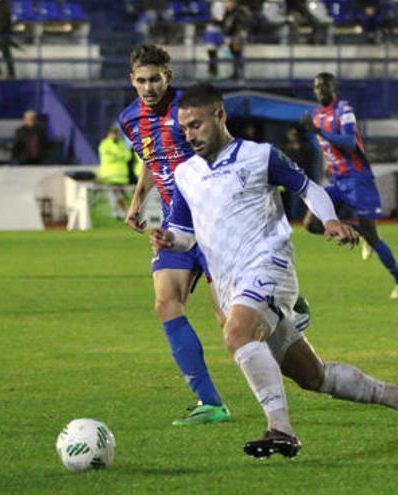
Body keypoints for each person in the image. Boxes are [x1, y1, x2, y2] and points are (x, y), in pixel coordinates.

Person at [151, 83, 398, 458]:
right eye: (184, 127)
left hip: (270, 266)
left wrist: (331, 220)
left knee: (237, 332)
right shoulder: (187, 174)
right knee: (313, 376)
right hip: (231, 283)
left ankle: (280, 431)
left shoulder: (259, 156)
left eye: (196, 125)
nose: (189, 135)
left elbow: (308, 188)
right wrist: (167, 239)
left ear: (220, 116)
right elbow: (186, 234)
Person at [119, 45, 231, 426]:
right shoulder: (130, 119)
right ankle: (211, 403)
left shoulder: (189, 110)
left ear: (169, 76)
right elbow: (153, 161)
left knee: (229, 320)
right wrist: (137, 202)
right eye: (142, 80)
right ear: (131, 80)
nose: (149, 87)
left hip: (214, 223)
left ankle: (283, 302)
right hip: (173, 226)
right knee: (166, 303)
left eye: (156, 79)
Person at [300, 73, 398, 299]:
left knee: (374, 237)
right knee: (311, 223)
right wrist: (329, 165)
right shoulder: (317, 115)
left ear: (334, 88)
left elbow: (350, 143)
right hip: (337, 180)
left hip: (358, 179)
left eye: (325, 85)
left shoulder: (344, 110)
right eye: (317, 86)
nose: (321, 89)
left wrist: (319, 132)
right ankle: (357, 232)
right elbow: (329, 148)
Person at [97, 126, 133, 219]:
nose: (115, 135)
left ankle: (123, 214)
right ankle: (117, 214)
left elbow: (128, 156)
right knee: (113, 197)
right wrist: (121, 156)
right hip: (109, 177)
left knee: (123, 197)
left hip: (122, 177)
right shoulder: (104, 144)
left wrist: (117, 155)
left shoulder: (122, 144)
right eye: (113, 133)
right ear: (108, 134)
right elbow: (109, 157)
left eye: (116, 133)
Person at [0, 0, 16, 79]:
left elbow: (2, 21)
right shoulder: (0, 5)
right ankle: (4, 72)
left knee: (2, 53)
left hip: (2, 34)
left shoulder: (3, 6)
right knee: (3, 53)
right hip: (1, 33)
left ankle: (2, 73)